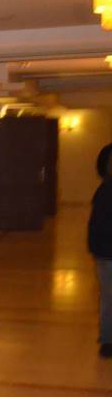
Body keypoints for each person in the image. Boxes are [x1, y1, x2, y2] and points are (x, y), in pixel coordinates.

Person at [90, 143, 112, 359]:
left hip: (104, 252)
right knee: (108, 298)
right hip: (107, 253)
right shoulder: (105, 192)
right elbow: (97, 225)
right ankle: (107, 340)